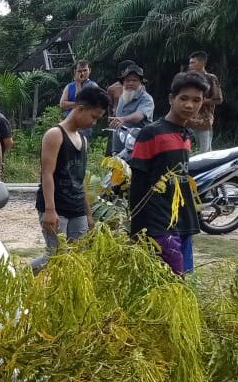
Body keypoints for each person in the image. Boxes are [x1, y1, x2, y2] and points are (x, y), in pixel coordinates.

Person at [129, 72, 209, 275]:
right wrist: (136, 229)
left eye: (196, 100)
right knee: (171, 282)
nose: (189, 105)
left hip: (184, 221)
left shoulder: (186, 135)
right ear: (171, 99)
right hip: (159, 224)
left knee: (184, 280)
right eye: (184, 98)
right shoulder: (151, 134)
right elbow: (137, 184)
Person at [31, 86, 110, 272]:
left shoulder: (83, 140)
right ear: (80, 108)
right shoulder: (55, 135)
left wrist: (88, 214)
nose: (94, 123)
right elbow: (47, 173)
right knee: (56, 258)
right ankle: (23, 277)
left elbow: (79, 179)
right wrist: (50, 210)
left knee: (77, 258)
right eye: (93, 117)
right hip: (56, 208)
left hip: (77, 209)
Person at [110, 64, 155, 155]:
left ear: (141, 83)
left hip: (137, 150)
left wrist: (123, 119)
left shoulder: (146, 99)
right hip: (118, 149)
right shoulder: (123, 97)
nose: (130, 83)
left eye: (134, 80)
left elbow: (139, 115)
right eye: (127, 80)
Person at [185, 51, 223, 153]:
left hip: (203, 121)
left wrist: (201, 101)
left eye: (193, 62)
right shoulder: (188, 78)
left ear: (202, 63)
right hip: (188, 120)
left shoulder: (210, 78)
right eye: (190, 63)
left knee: (205, 152)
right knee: (184, 150)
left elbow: (218, 99)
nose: (190, 65)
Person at [59, 60, 99, 138]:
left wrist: (78, 84)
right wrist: (78, 104)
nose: (82, 73)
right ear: (75, 72)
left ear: (89, 70)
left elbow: (81, 100)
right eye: (79, 71)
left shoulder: (93, 86)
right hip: (69, 122)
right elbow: (62, 104)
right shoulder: (69, 86)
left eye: (85, 70)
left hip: (84, 124)